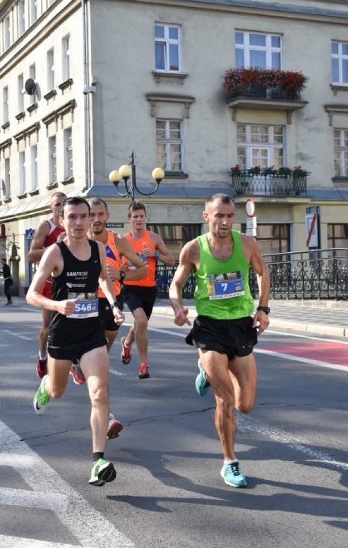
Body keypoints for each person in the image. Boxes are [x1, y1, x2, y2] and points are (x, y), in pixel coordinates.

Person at [169, 193, 271, 488]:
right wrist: (177, 307)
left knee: (246, 404)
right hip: (210, 328)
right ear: (207, 216)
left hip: (240, 326)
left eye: (229, 216)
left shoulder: (247, 244)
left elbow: (264, 273)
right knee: (225, 400)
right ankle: (230, 462)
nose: (225, 222)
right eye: (219, 216)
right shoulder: (194, 249)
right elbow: (175, 285)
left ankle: (206, 369)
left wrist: (263, 308)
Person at [26, 196, 125, 486]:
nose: (80, 222)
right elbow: (32, 295)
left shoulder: (98, 248)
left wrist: (115, 304)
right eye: (73, 217)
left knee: (99, 393)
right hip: (62, 333)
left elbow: (104, 279)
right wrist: (57, 306)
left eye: (85, 216)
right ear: (62, 221)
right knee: (58, 391)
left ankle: (98, 461)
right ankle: (46, 386)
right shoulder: (54, 253)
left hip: (91, 333)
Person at [85, 197, 147, 382]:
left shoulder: (118, 241)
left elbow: (143, 269)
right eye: (91, 215)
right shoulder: (79, 241)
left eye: (100, 214)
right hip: (88, 300)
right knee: (89, 348)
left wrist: (121, 275)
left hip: (113, 300)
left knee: (104, 349)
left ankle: (90, 372)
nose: (96, 219)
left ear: (107, 216)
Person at [119, 201, 175, 379]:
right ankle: (144, 365)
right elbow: (113, 262)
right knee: (142, 322)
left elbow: (171, 261)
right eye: (135, 216)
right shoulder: (123, 240)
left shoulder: (154, 238)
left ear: (146, 218)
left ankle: (127, 343)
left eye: (141, 216)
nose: (139, 220)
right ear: (129, 219)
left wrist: (155, 254)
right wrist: (123, 268)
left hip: (149, 288)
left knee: (139, 324)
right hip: (130, 287)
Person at [28, 191, 66, 379]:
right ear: (51, 207)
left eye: (64, 203)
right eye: (57, 204)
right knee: (48, 326)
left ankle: (73, 361)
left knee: (78, 324)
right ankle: (42, 356)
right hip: (51, 283)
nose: (60, 207)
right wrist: (53, 247)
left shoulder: (75, 225)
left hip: (71, 283)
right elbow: (31, 255)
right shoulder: (46, 226)